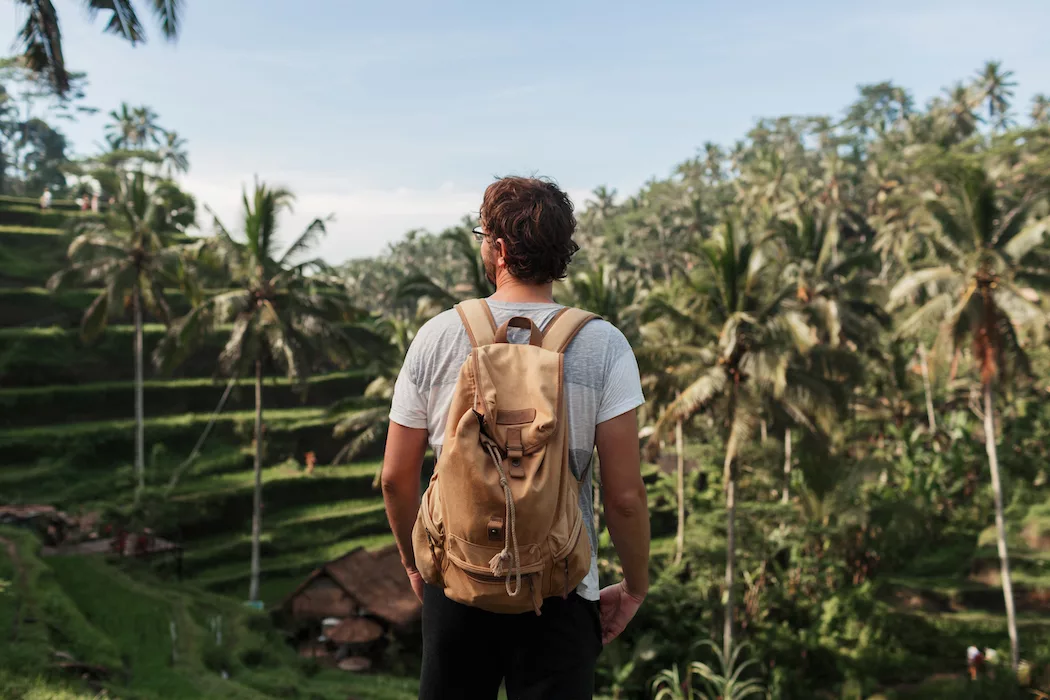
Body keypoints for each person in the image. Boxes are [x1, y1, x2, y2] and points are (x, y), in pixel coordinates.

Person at [381, 176, 650, 700]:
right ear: (562, 252)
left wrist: (416, 564)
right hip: (564, 587)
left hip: (456, 579)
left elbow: (395, 478)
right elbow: (624, 497)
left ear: (497, 248)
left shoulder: (436, 336)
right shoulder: (604, 345)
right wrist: (635, 586)